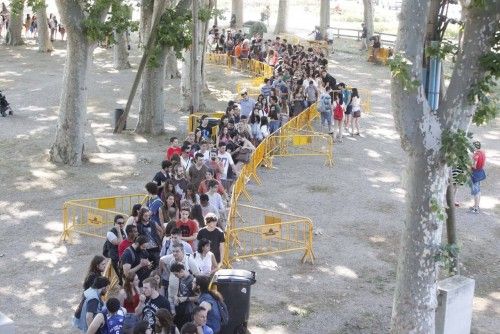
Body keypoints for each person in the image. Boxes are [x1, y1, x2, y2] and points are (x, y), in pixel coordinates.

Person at [170, 263, 196, 329]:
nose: (176, 276)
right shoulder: (181, 277)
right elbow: (181, 291)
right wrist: (176, 296)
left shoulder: (192, 280)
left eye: (176, 274)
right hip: (180, 309)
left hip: (188, 312)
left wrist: (185, 298)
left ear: (181, 271)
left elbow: (198, 298)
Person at [469, 141, 486, 214]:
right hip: (480, 172)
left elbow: (474, 166)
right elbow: (484, 163)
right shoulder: (482, 153)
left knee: (476, 191)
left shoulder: (476, 155)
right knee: (478, 190)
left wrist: (468, 165)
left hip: (475, 173)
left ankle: (475, 208)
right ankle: (477, 205)